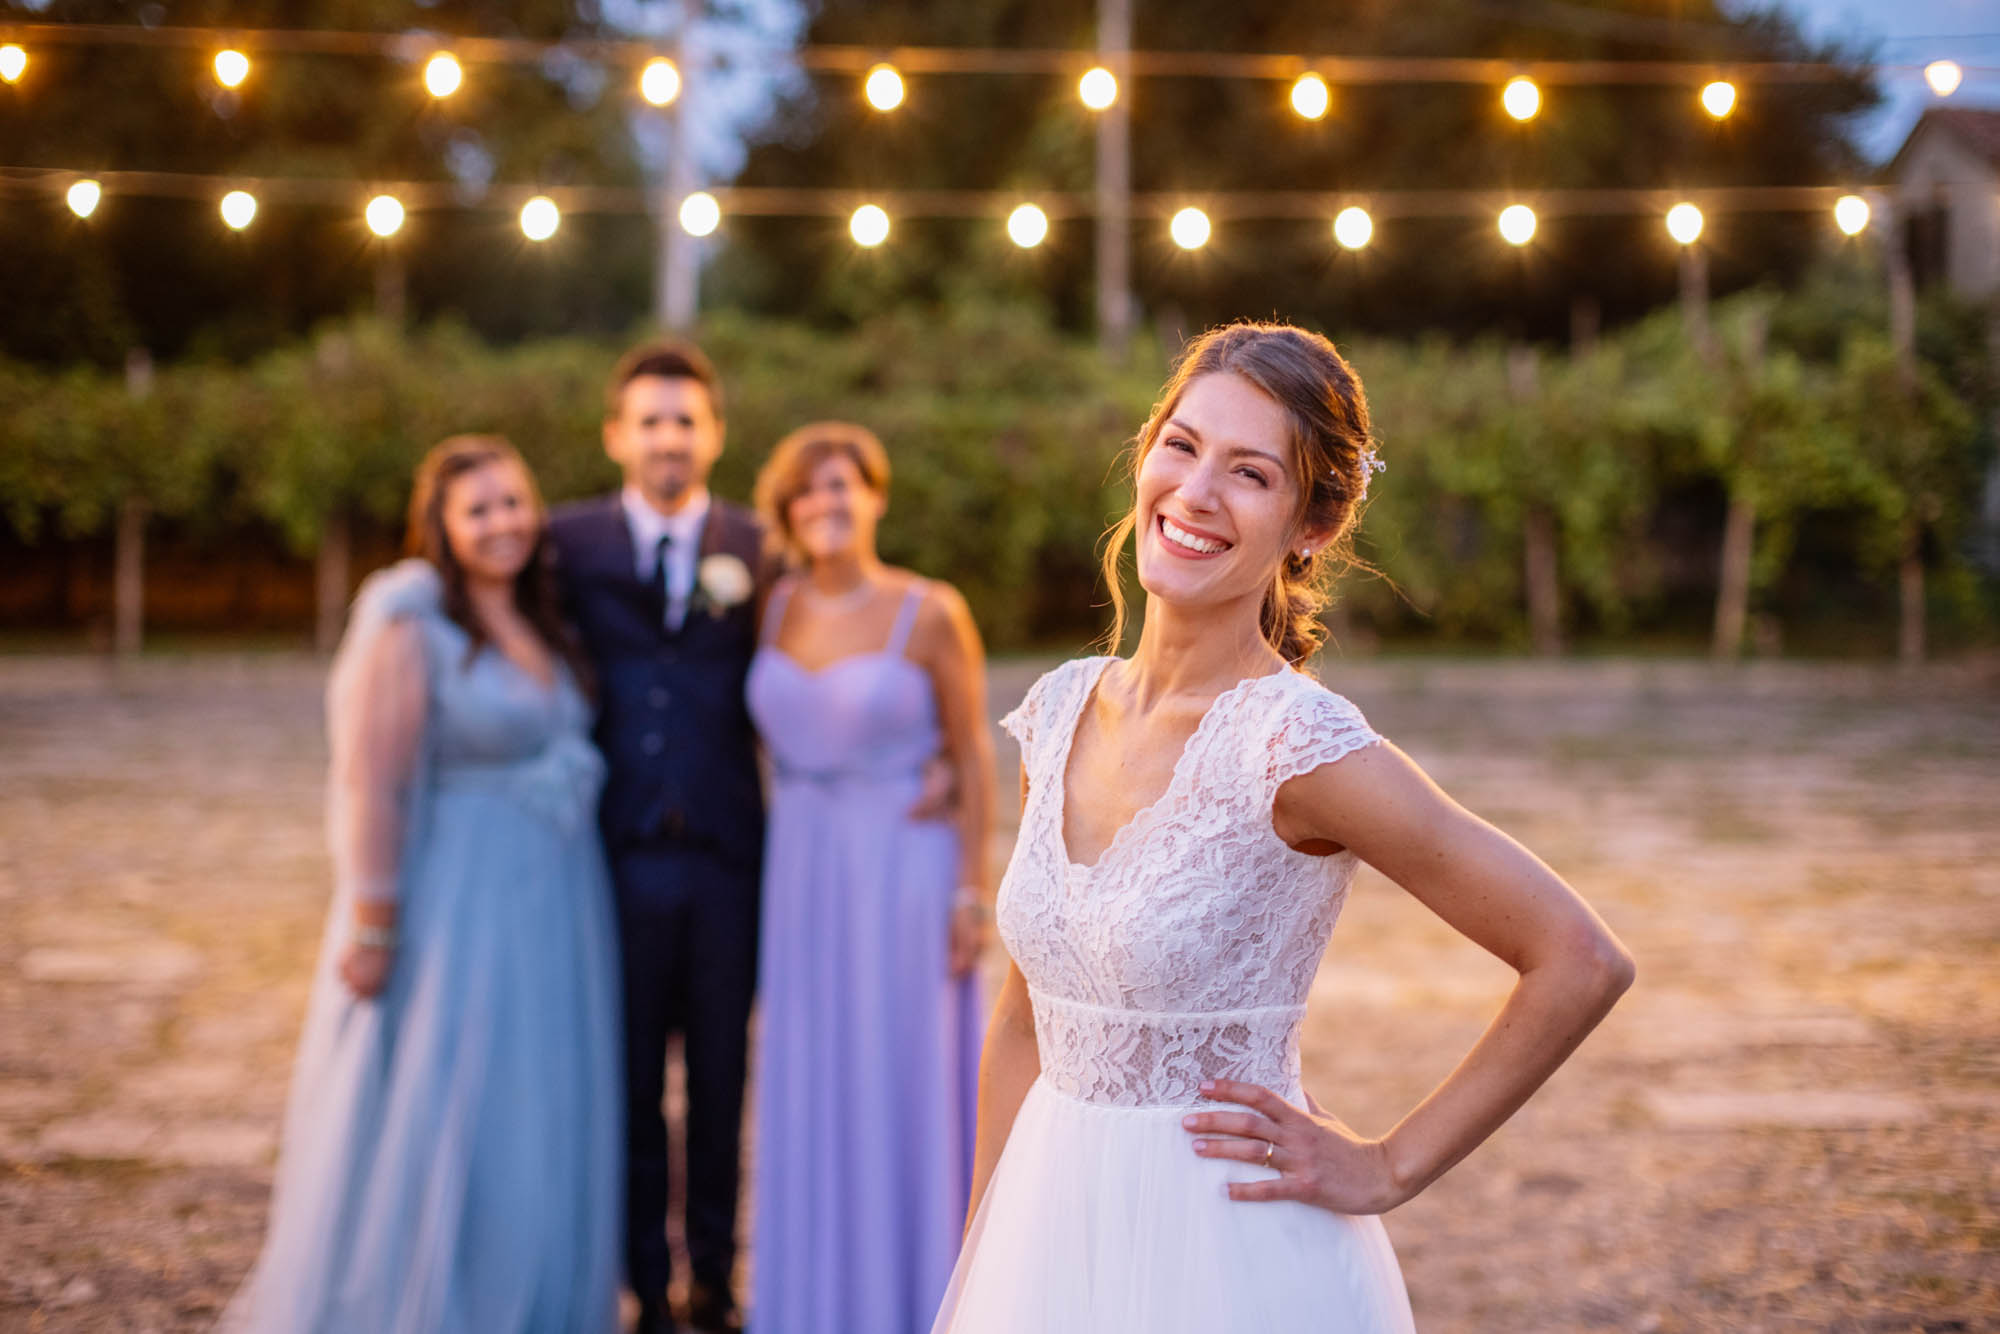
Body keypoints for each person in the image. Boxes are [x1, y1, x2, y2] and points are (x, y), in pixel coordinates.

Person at [931, 322, 1636, 1333]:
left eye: (1250, 472)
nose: (1196, 492)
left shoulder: (1295, 746)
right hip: (1045, 1241)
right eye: (1181, 445)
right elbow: (1021, 1020)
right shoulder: (1058, 710)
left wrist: (1390, 1164)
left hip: (1221, 1254)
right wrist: (981, 1254)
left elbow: (1578, 958)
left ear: (1312, 522)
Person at [223, 435, 621, 1333]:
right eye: (478, 510)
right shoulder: (411, 620)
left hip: (556, 902)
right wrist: (373, 922)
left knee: (530, 1108)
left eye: (513, 502)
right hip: (458, 901)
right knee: (448, 1100)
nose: (502, 523)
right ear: (441, 526)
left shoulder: (543, 616)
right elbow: (372, 780)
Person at [548, 341, 777, 1334]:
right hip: (614, 858)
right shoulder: (565, 543)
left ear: (714, 434)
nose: (668, 438)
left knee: (723, 1081)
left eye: (686, 420)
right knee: (629, 1081)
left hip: (729, 858)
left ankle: (714, 1282)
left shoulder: (761, 545)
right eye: (650, 420)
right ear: (616, 435)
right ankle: (644, 1287)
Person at [744, 423, 992, 1334]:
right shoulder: (770, 608)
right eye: (807, 490)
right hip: (801, 874)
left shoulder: (929, 611)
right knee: (814, 1080)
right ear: (788, 512)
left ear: (876, 496)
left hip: (902, 872)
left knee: (901, 1078)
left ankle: (917, 1299)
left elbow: (973, 754)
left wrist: (971, 891)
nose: (827, 503)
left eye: (842, 484)